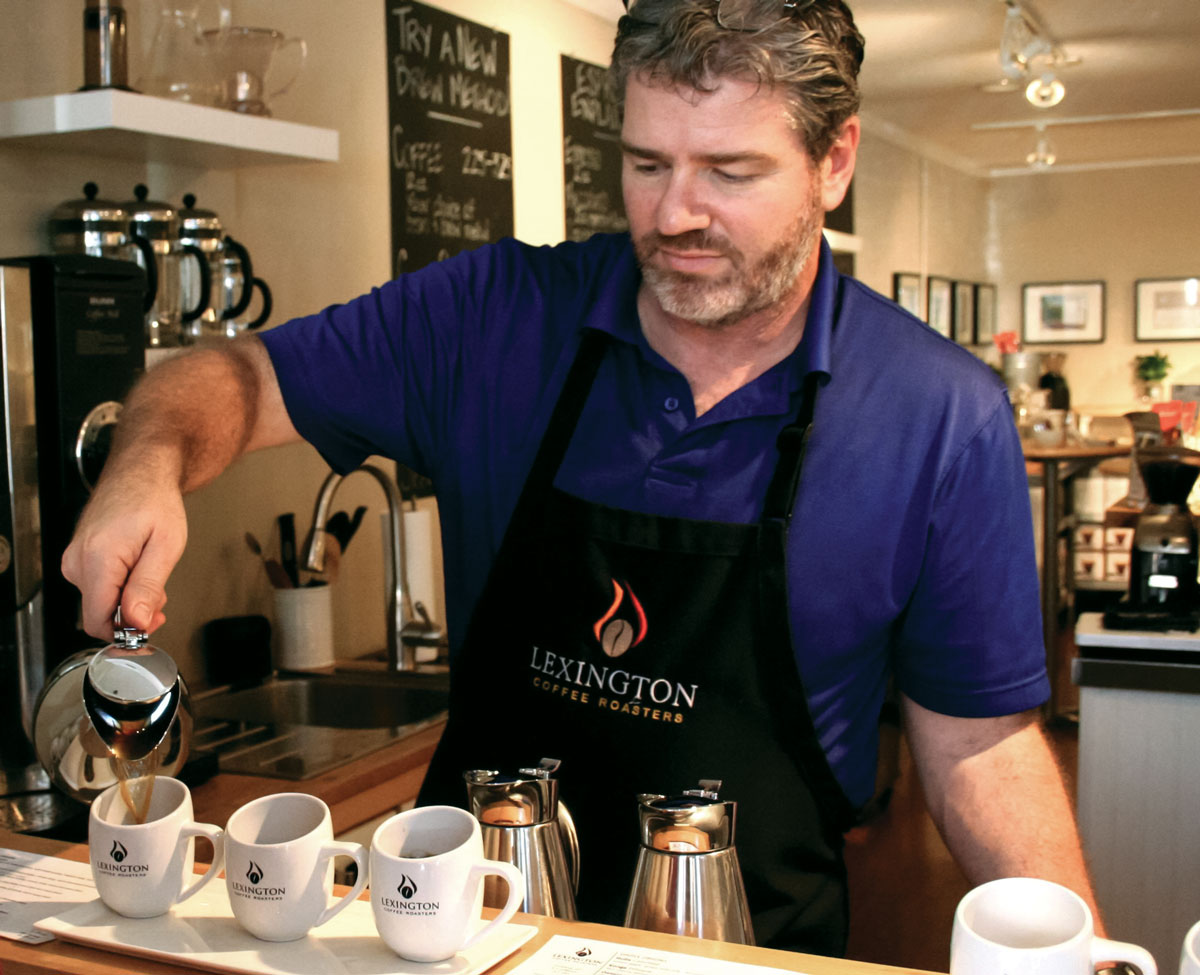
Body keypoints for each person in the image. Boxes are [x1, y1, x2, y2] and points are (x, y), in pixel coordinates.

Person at [63, 0, 1102, 955]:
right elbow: (235, 376)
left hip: (747, 953)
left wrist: (1080, 956)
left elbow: (980, 745)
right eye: (647, 164)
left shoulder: (937, 413)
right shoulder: (493, 318)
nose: (676, 215)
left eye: (729, 173)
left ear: (835, 161)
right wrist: (144, 463)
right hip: (467, 941)